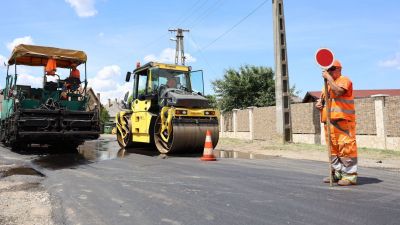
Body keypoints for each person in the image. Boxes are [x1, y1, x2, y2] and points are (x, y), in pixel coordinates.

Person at [315, 59, 357, 186]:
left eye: (331, 69)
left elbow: (338, 92)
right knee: (333, 150)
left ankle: (349, 176)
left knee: (346, 149)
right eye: (327, 70)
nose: (328, 72)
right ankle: (337, 173)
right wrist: (319, 104)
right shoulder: (326, 86)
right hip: (329, 123)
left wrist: (328, 78)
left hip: (343, 121)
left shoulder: (344, 80)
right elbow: (324, 101)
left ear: (338, 69)